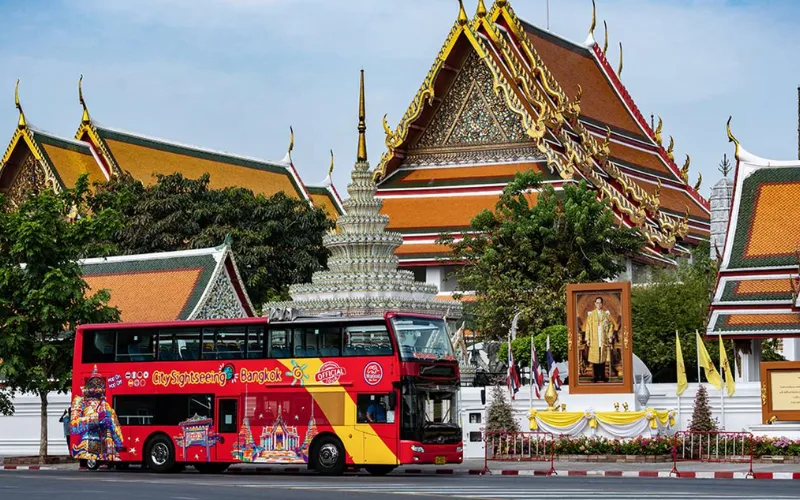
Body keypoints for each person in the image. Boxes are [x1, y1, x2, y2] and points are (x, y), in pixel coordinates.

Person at [582, 296, 616, 383]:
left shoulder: (606, 315)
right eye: (597, 303)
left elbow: (610, 326)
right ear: (595, 304)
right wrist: (588, 339)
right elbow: (588, 327)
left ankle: (603, 376)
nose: (598, 304)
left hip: (603, 339)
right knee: (595, 358)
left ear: (602, 304)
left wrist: (610, 336)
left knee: (602, 358)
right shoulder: (591, 315)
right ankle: (596, 376)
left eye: (600, 303)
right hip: (594, 339)